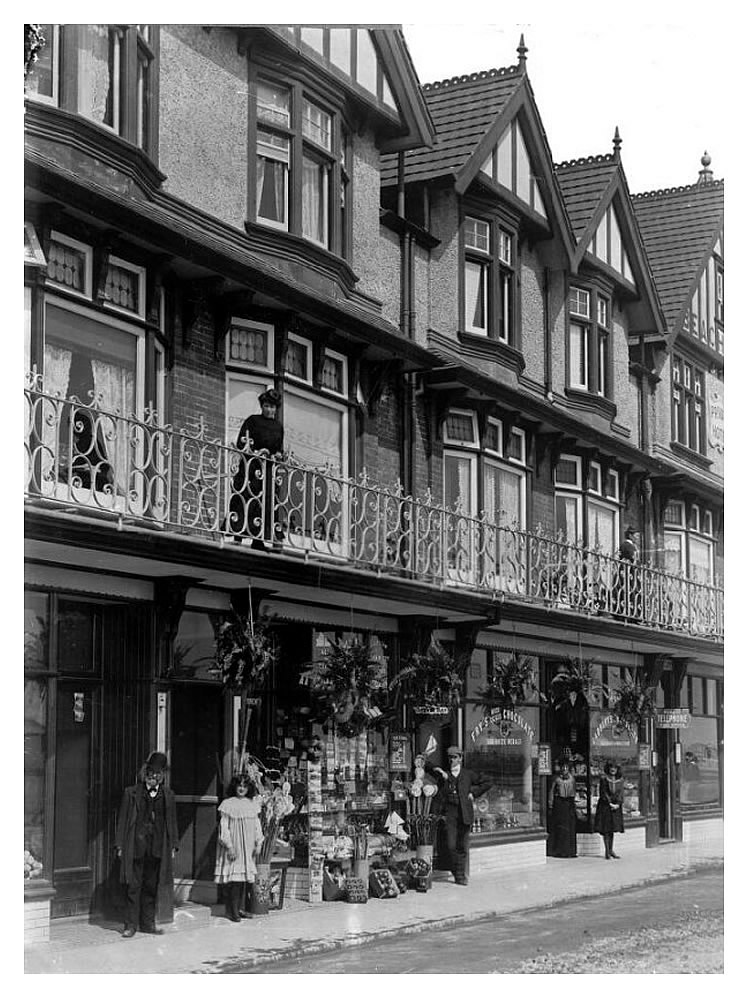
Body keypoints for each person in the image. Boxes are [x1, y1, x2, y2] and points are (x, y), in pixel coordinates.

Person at [115, 751, 179, 938]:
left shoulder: (168, 795)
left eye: (158, 774)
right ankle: (130, 925)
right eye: (151, 773)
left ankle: (148, 924)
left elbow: (172, 822)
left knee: (151, 887)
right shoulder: (132, 793)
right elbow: (123, 820)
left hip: (157, 848)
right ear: (145, 772)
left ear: (162, 775)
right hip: (135, 847)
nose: (153, 777)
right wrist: (119, 845)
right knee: (133, 887)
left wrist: (173, 845)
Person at [228, 388, 284, 548]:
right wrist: (257, 452)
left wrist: (278, 455)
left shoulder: (278, 427)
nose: (269, 410)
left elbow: (279, 448)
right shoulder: (252, 421)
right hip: (250, 468)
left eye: (272, 407)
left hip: (267, 470)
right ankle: (238, 535)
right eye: (266, 406)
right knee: (245, 497)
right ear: (262, 406)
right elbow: (242, 442)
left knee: (264, 502)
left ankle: (258, 539)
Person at [430, 746, 490, 886]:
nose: (452, 760)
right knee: (451, 846)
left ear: (461, 758)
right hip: (450, 814)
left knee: (462, 846)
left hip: (464, 813)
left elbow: (488, 782)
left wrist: (474, 793)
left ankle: (460, 876)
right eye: (450, 758)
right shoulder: (444, 775)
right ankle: (455, 869)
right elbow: (426, 766)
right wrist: (438, 771)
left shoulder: (468, 774)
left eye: (455, 757)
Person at [214, 773, 264, 921]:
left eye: (244, 786)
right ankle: (232, 910)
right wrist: (229, 846)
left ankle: (239, 908)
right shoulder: (228, 804)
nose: (241, 789)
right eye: (239, 786)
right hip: (234, 846)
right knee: (234, 880)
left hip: (247, 846)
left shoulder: (251, 805)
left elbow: (257, 826)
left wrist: (258, 843)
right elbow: (224, 828)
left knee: (243, 880)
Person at [594, 761, 625, 859]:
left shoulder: (620, 780)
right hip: (605, 806)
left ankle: (611, 850)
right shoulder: (604, 779)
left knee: (612, 829)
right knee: (606, 829)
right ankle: (607, 851)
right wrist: (609, 803)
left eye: (615, 768)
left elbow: (621, 793)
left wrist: (618, 804)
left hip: (615, 807)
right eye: (611, 767)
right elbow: (603, 792)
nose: (613, 770)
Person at [547, 759, 577, 858]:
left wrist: (574, 804)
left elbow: (574, 791)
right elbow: (551, 792)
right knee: (560, 827)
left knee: (569, 827)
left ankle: (569, 850)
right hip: (559, 803)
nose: (564, 769)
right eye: (563, 767)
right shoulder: (556, 779)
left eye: (566, 767)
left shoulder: (572, 779)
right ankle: (559, 850)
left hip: (568, 803)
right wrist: (550, 804)